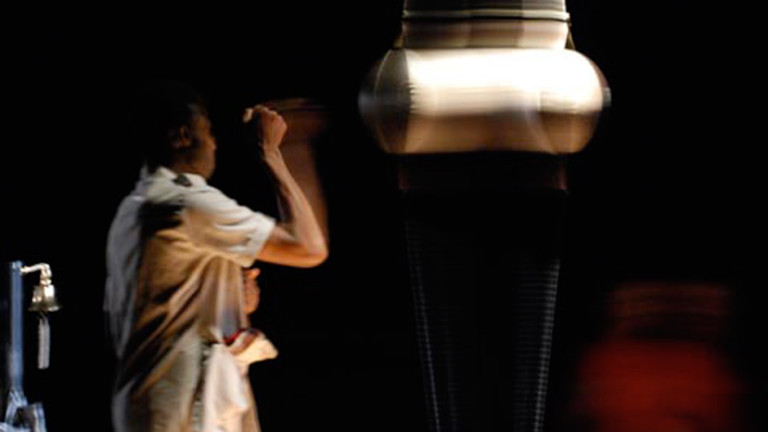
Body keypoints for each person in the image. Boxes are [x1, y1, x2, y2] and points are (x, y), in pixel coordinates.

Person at [104, 83, 327, 432]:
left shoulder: (137, 207)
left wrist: (229, 297)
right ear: (182, 136)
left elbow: (166, 306)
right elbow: (309, 247)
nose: (215, 144)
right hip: (178, 409)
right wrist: (273, 153)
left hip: (156, 405)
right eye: (207, 132)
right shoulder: (184, 202)